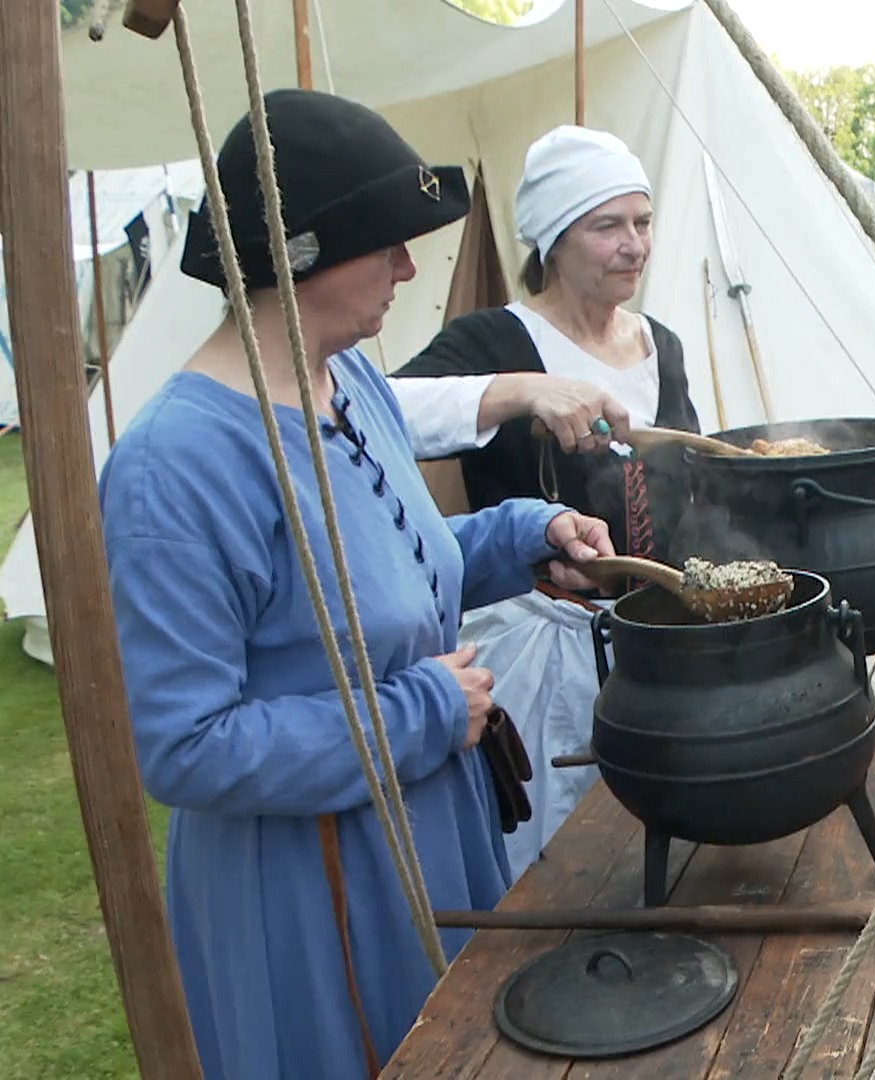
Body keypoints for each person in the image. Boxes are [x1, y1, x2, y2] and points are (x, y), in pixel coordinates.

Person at [98, 89, 615, 1080]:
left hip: (428, 827)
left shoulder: (354, 380)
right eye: (387, 242)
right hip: (310, 888)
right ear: (300, 256)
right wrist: (422, 710)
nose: (410, 266)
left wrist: (523, 536)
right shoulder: (178, 464)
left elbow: (380, 581)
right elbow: (187, 747)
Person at [386, 124, 703, 879]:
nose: (634, 245)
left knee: (654, 844)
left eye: (642, 222)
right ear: (555, 240)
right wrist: (522, 392)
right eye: (607, 226)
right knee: (553, 855)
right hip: (538, 644)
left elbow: (686, 487)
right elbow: (375, 407)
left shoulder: (661, 343)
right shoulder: (495, 339)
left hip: (652, 638)